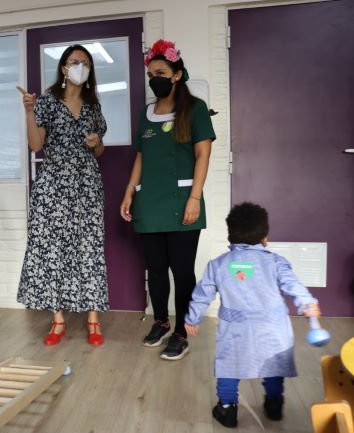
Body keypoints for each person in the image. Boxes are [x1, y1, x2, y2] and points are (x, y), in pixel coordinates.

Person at [184, 202, 321, 428]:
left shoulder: (217, 265)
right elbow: (292, 284)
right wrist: (307, 303)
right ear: (265, 237)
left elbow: (202, 294)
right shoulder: (276, 262)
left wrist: (193, 318)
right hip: (273, 327)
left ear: (230, 236)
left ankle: (227, 409)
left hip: (235, 329)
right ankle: (274, 404)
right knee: (274, 366)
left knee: (229, 367)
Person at [120, 39, 215, 359]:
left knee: (183, 272)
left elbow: (203, 155)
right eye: (150, 74)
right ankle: (160, 321)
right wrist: (129, 190)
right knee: (156, 270)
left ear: (176, 74)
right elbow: (141, 156)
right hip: (150, 202)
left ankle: (181, 333)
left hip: (182, 201)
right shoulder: (146, 114)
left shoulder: (195, 109)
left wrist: (195, 198)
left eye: (160, 73)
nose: (154, 79)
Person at [16, 44, 108, 346]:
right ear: (63, 68)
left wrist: (95, 143)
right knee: (52, 250)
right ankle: (58, 319)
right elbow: (35, 145)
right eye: (73, 61)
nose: (80, 66)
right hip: (53, 186)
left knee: (89, 248)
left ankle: (93, 319)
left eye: (85, 62)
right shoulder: (47, 102)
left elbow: (100, 150)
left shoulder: (93, 106)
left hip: (87, 187)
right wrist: (29, 111)